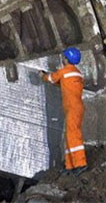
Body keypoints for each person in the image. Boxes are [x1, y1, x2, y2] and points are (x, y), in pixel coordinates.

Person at [40, 47, 88, 176]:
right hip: (78, 107)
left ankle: (81, 164)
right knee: (69, 136)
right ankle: (70, 165)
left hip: (72, 108)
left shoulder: (65, 71)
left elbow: (51, 78)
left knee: (73, 136)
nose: (63, 59)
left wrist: (42, 75)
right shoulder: (78, 74)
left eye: (64, 57)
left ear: (67, 59)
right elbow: (66, 84)